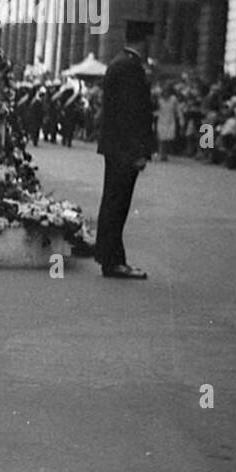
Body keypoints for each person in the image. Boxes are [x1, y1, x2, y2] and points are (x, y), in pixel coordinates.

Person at [93, 20, 155, 280]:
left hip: (115, 146)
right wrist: (138, 151)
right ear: (145, 41)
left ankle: (108, 255)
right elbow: (131, 114)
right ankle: (114, 261)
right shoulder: (131, 67)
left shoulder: (120, 63)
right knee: (118, 204)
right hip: (124, 149)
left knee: (112, 202)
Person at [155, 82, 180, 161]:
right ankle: (162, 154)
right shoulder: (159, 100)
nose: (166, 93)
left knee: (168, 138)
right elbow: (156, 109)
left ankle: (165, 153)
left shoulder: (173, 99)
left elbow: (178, 110)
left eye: (168, 91)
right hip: (161, 120)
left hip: (170, 120)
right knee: (162, 138)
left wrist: (180, 118)